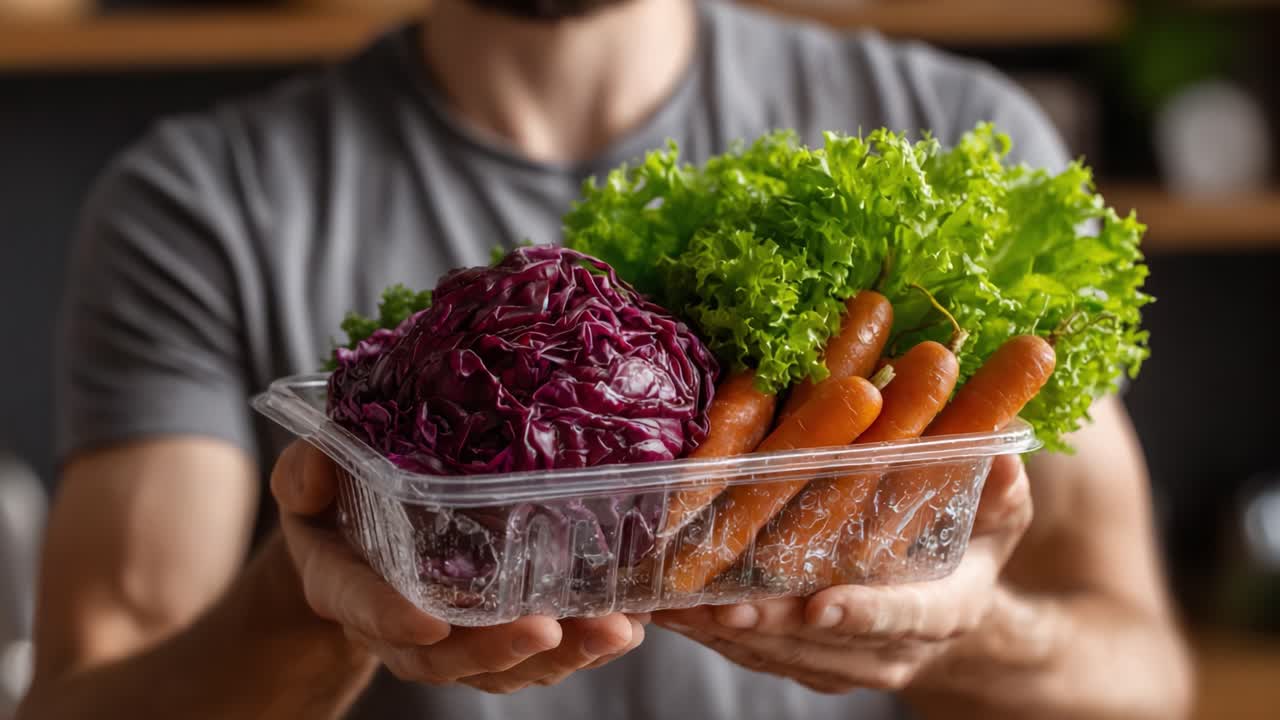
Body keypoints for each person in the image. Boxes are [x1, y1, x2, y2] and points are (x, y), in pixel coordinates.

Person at [20, 0, 1193, 718]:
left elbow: (1137, 680)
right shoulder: (198, 202)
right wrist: (305, 598)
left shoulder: (946, 134)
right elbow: (88, 696)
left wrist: (960, 629)